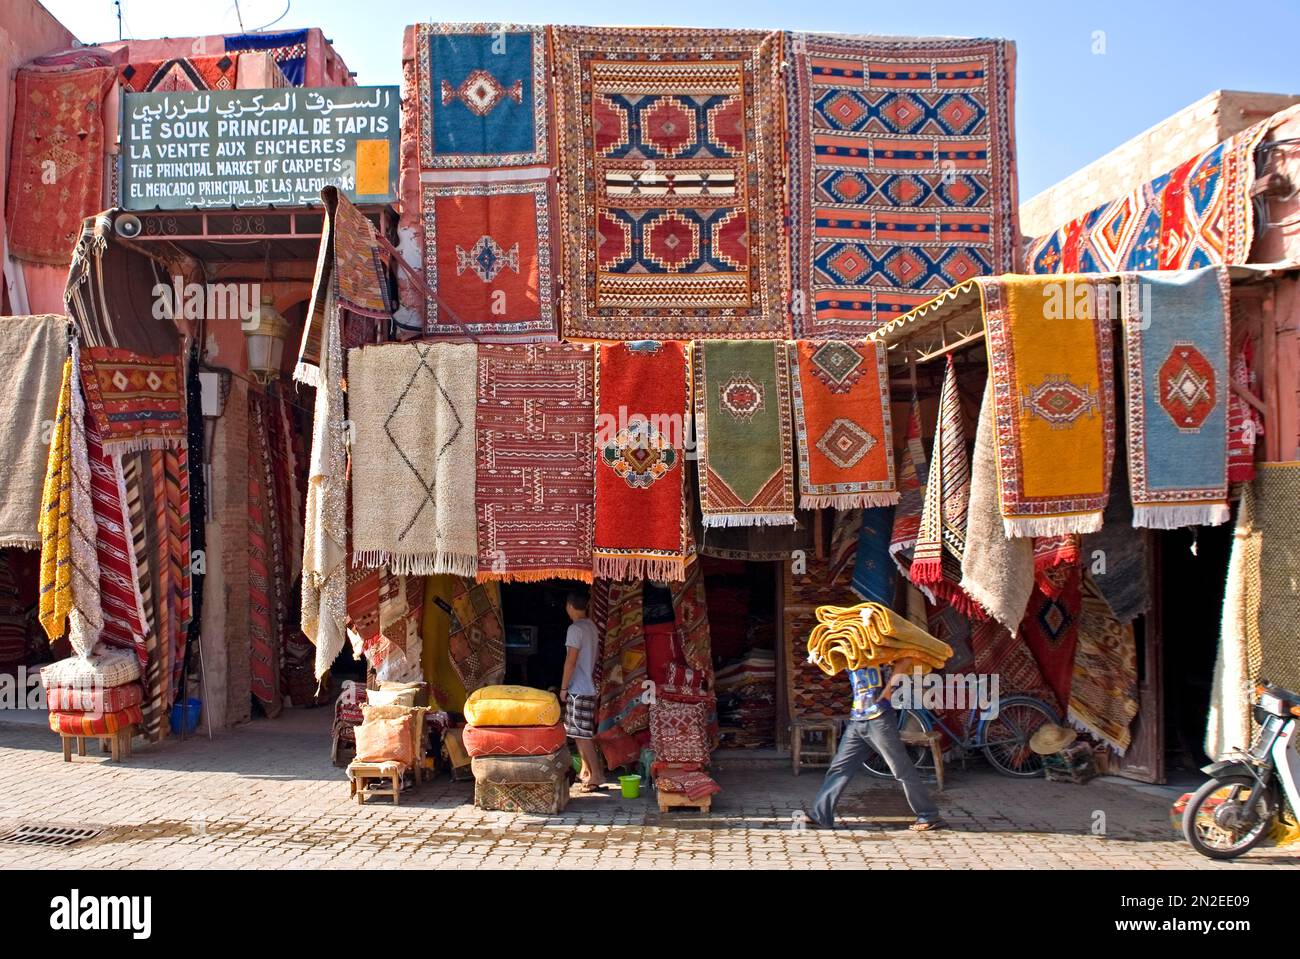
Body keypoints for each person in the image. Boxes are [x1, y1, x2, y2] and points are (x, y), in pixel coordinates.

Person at [807, 657, 945, 831]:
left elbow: (905, 659)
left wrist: (888, 691)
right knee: (839, 767)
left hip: (880, 718)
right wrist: (819, 656)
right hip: (857, 719)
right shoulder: (849, 649)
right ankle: (821, 816)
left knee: (901, 769)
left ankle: (929, 815)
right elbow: (832, 663)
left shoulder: (880, 648)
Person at [560, 588, 606, 792]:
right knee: (579, 733)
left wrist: (563, 687)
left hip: (578, 688)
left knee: (583, 735)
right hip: (588, 685)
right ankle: (586, 771)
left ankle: (596, 774)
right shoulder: (591, 627)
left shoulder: (575, 629)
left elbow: (570, 661)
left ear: (569, 606)